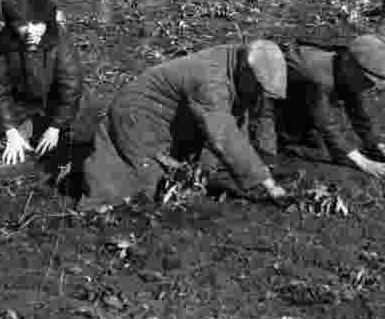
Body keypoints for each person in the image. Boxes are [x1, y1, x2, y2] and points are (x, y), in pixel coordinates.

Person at [76, 39, 289, 209]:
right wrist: (267, 183)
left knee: (178, 175)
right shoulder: (210, 81)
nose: (259, 96)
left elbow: (234, 124)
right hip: (138, 114)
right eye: (258, 88)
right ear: (245, 71)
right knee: (142, 189)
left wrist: (259, 165)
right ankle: (81, 185)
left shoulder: (234, 63)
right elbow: (224, 134)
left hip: (167, 116)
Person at [254, 35, 385, 177]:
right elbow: (325, 121)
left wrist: (377, 145)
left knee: (324, 143)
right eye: (367, 82)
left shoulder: (345, 66)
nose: (368, 88)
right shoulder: (318, 76)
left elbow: (357, 109)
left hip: (296, 89)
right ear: (351, 65)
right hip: (262, 89)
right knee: (266, 160)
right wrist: (363, 162)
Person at [0, 0, 82, 166]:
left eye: (36, 23)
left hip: (53, 102)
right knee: (9, 142)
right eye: (22, 23)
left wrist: (55, 127)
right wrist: (10, 131)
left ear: (46, 20)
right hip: (21, 103)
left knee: (74, 135)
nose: (30, 30)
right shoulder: (4, 42)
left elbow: (71, 87)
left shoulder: (59, 40)